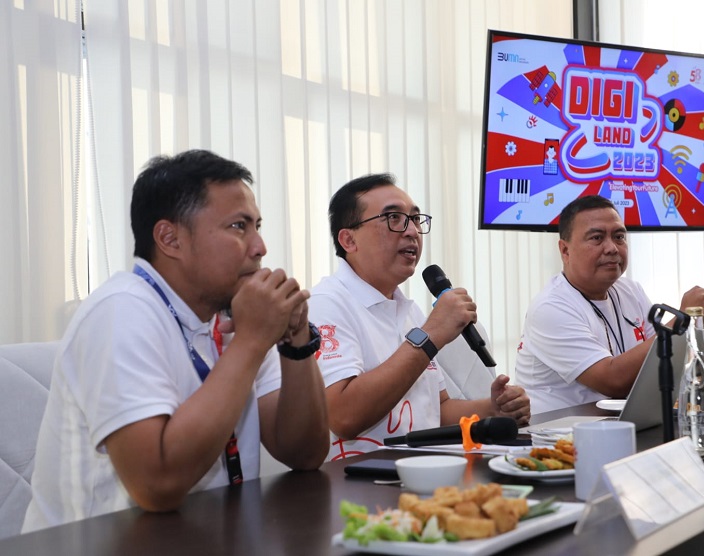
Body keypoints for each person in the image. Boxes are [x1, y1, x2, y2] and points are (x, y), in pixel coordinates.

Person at [22, 150, 329, 532]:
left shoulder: (232, 317)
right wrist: (252, 341)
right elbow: (157, 485)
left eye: (258, 226)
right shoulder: (122, 311)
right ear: (170, 238)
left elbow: (305, 453)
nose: (260, 246)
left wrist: (295, 342)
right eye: (238, 226)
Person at [308, 173, 531, 461]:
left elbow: (436, 411)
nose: (411, 231)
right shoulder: (326, 304)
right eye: (394, 218)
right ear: (349, 239)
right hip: (360, 484)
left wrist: (492, 408)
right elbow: (343, 417)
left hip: (423, 471)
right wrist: (431, 335)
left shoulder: (407, 309)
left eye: (415, 219)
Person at [514, 195, 704, 412]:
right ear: (565, 250)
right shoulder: (550, 308)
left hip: (624, 424)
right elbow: (613, 381)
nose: (612, 248)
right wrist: (684, 318)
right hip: (559, 438)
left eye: (619, 237)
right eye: (597, 238)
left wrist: (698, 322)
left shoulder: (630, 291)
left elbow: (658, 366)